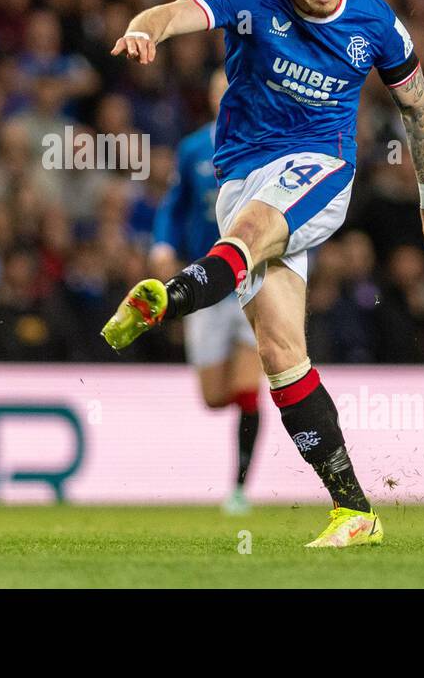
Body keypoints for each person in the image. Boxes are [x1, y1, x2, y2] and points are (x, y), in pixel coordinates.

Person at [102, 0, 424, 548]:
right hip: (241, 176)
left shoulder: (377, 24)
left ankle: (170, 297)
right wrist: (142, 29)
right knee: (279, 354)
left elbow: (419, 110)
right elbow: (176, 13)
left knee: (246, 236)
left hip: (320, 170)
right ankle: (355, 510)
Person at [149, 69, 262, 515]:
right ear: (215, 96)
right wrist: (162, 246)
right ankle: (243, 389)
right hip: (204, 281)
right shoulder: (194, 147)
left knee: (248, 387)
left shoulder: (270, 142)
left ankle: (239, 489)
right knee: (215, 397)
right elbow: (173, 205)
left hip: (255, 278)